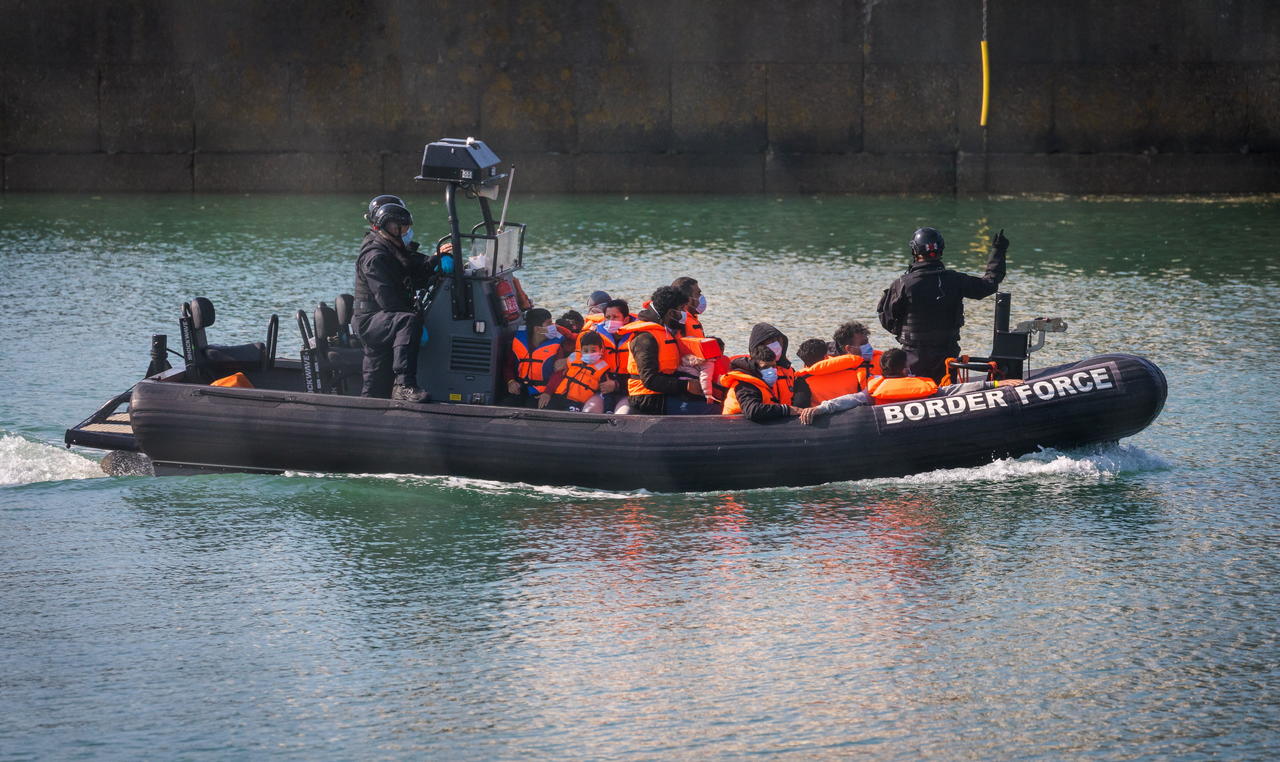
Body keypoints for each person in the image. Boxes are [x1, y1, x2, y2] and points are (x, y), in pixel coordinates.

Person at [877, 226, 1009, 382]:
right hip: (947, 354)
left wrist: (904, 333)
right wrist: (998, 251)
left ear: (914, 251)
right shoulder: (955, 280)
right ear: (941, 250)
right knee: (946, 386)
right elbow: (989, 284)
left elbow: (886, 318)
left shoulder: (903, 284)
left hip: (914, 355)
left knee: (917, 392)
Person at [351, 199, 445, 402]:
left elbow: (414, 270)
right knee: (407, 321)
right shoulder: (375, 257)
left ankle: (371, 410)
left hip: (383, 319)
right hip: (370, 321)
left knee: (375, 383)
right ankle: (404, 385)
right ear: (386, 227)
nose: (405, 232)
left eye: (406, 227)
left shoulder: (392, 249)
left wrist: (437, 259)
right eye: (400, 227)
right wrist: (415, 317)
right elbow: (389, 302)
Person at [799, 348, 1022, 424]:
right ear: (904, 369)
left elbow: (847, 400)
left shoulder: (872, 392)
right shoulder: (924, 388)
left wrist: (820, 408)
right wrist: (995, 384)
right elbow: (955, 390)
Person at [620, 286, 709, 415]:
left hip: (666, 390)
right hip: (646, 397)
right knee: (710, 409)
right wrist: (685, 386)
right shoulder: (645, 338)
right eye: (681, 309)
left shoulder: (666, 329)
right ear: (671, 313)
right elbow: (649, 380)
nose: (685, 313)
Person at [721, 345, 805, 422]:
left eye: (773, 366)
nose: (771, 370)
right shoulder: (744, 384)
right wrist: (786, 409)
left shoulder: (761, 382)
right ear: (754, 366)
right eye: (765, 367)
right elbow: (752, 410)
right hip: (735, 425)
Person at [579, 298, 634, 413]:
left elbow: (643, 376)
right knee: (589, 412)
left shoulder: (637, 338)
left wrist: (617, 385)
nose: (610, 321)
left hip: (629, 391)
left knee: (622, 415)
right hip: (603, 390)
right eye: (608, 317)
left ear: (626, 319)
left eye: (615, 317)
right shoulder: (596, 335)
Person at [505, 308, 567, 408]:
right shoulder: (518, 340)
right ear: (537, 329)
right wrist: (511, 381)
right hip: (520, 389)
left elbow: (558, 373)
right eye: (549, 323)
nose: (553, 326)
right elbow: (508, 365)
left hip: (542, 392)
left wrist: (548, 393)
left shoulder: (557, 344)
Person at [549, 332, 617, 413]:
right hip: (558, 397)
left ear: (601, 350)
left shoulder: (603, 369)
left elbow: (607, 393)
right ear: (581, 350)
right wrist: (547, 392)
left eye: (593, 350)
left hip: (577, 403)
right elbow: (558, 376)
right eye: (585, 350)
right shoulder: (572, 359)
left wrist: (608, 410)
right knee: (547, 410)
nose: (589, 353)